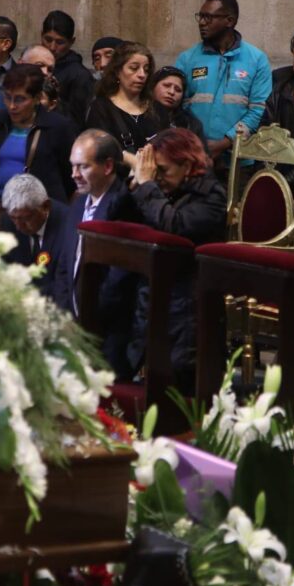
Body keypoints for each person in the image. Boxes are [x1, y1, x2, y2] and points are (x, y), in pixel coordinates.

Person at [120, 127, 227, 392]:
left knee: (178, 386)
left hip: (189, 306)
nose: (157, 177)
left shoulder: (212, 195)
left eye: (163, 170)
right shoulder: (158, 188)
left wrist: (147, 186)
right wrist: (133, 185)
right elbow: (118, 221)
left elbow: (174, 226)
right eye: (153, 170)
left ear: (187, 165)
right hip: (151, 296)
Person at [176, 0, 272, 169]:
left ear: (229, 21)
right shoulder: (187, 59)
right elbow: (177, 107)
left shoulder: (257, 59)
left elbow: (258, 110)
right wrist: (195, 143)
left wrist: (225, 142)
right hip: (194, 157)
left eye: (208, 17)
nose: (201, 22)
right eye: (200, 16)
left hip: (239, 160)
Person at [0, 64, 78, 230]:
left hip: (41, 213)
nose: (12, 106)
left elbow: (69, 176)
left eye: (20, 99)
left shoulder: (58, 127)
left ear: (37, 98)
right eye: (7, 97)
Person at [52, 128, 129, 316]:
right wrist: (65, 313)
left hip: (105, 320)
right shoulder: (77, 205)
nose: (74, 174)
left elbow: (119, 274)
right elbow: (64, 264)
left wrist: (91, 314)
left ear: (108, 166)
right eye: (72, 166)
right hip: (72, 320)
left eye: (83, 167)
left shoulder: (125, 204)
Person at [85, 42, 161, 165]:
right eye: (134, 68)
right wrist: (132, 161)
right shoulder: (101, 108)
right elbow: (101, 149)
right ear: (117, 71)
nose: (142, 75)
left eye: (146, 70)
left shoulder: (157, 108)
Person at [0, 173, 68, 294]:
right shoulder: (8, 221)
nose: (18, 226)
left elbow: (65, 282)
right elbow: (5, 265)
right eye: (13, 218)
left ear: (45, 207)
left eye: (26, 218)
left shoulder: (68, 226)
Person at [41, 10, 95, 127]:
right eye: (48, 40)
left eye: (60, 42)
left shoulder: (80, 75)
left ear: (71, 42)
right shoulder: (32, 63)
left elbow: (78, 120)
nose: (52, 47)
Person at [148, 65, 207, 146]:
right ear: (153, 87)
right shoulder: (138, 114)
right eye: (166, 85)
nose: (172, 92)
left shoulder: (191, 124)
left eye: (178, 90)